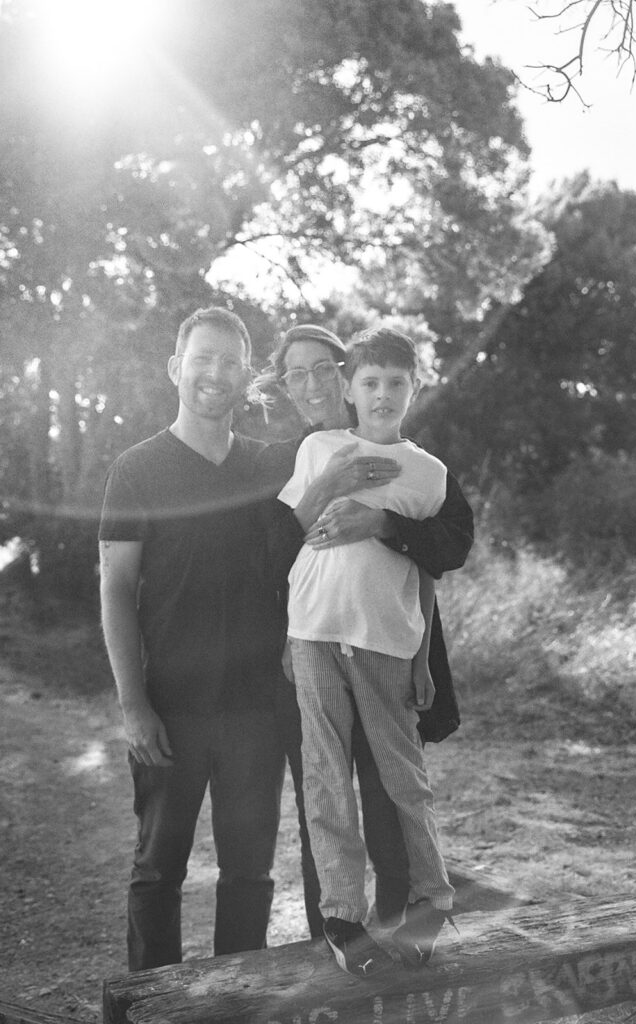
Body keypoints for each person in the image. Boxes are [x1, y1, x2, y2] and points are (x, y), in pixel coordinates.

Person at [258, 324, 473, 944]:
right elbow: (288, 542)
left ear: (413, 388)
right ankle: (341, 915)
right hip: (313, 633)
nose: (382, 394)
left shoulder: (429, 474)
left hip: (386, 641)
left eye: (395, 383)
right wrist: (335, 484)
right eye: (370, 382)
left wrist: (423, 652)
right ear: (354, 389)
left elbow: (436, 558)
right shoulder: (316, 450)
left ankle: (428, 903)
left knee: (402, 782)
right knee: (325, 784)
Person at [98, 306, 286, 971]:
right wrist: (132, 704)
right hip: (169, 705)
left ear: (247, 379)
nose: (215, 374)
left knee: (249, 877)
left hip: (257, 709)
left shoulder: (270, 467)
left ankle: (241, 1008)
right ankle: (151, 1009)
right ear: (177, 368)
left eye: (231, 363)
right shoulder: (137, 468)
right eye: (202, 359)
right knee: (158, 873)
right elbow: (116, 589)